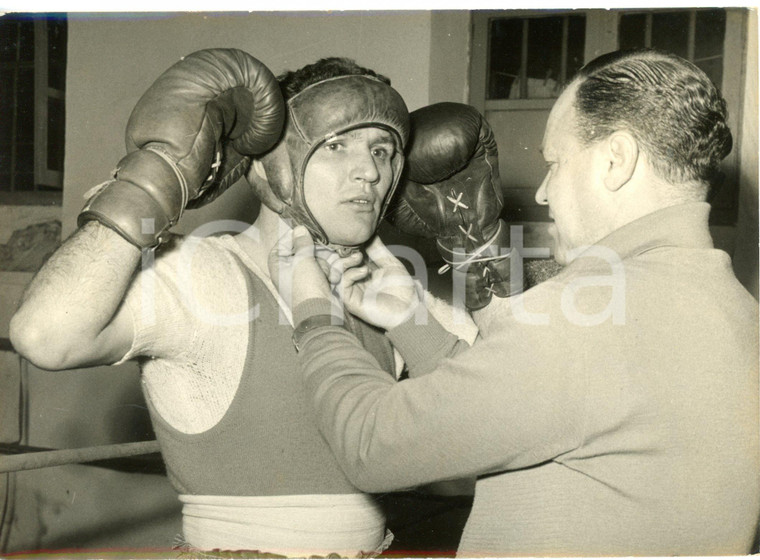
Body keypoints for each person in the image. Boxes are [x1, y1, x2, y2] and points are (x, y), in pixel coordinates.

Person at [272, 48, 760, 556]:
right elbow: (531, 410)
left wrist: (314, 311)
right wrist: (410, 320)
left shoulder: (586, 318)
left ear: (616, 159)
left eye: (555, 162)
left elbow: (368, 443)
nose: (545, 192)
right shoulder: (734, 310)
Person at [10, 48, 423, 557]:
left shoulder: (380, 290)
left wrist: (477, 249)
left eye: (382, 150)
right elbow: (43, 337)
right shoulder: (206, 271)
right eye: (337, 144)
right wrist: (151, 178)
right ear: (275, 159)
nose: (369, 171)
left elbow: (498, 402)